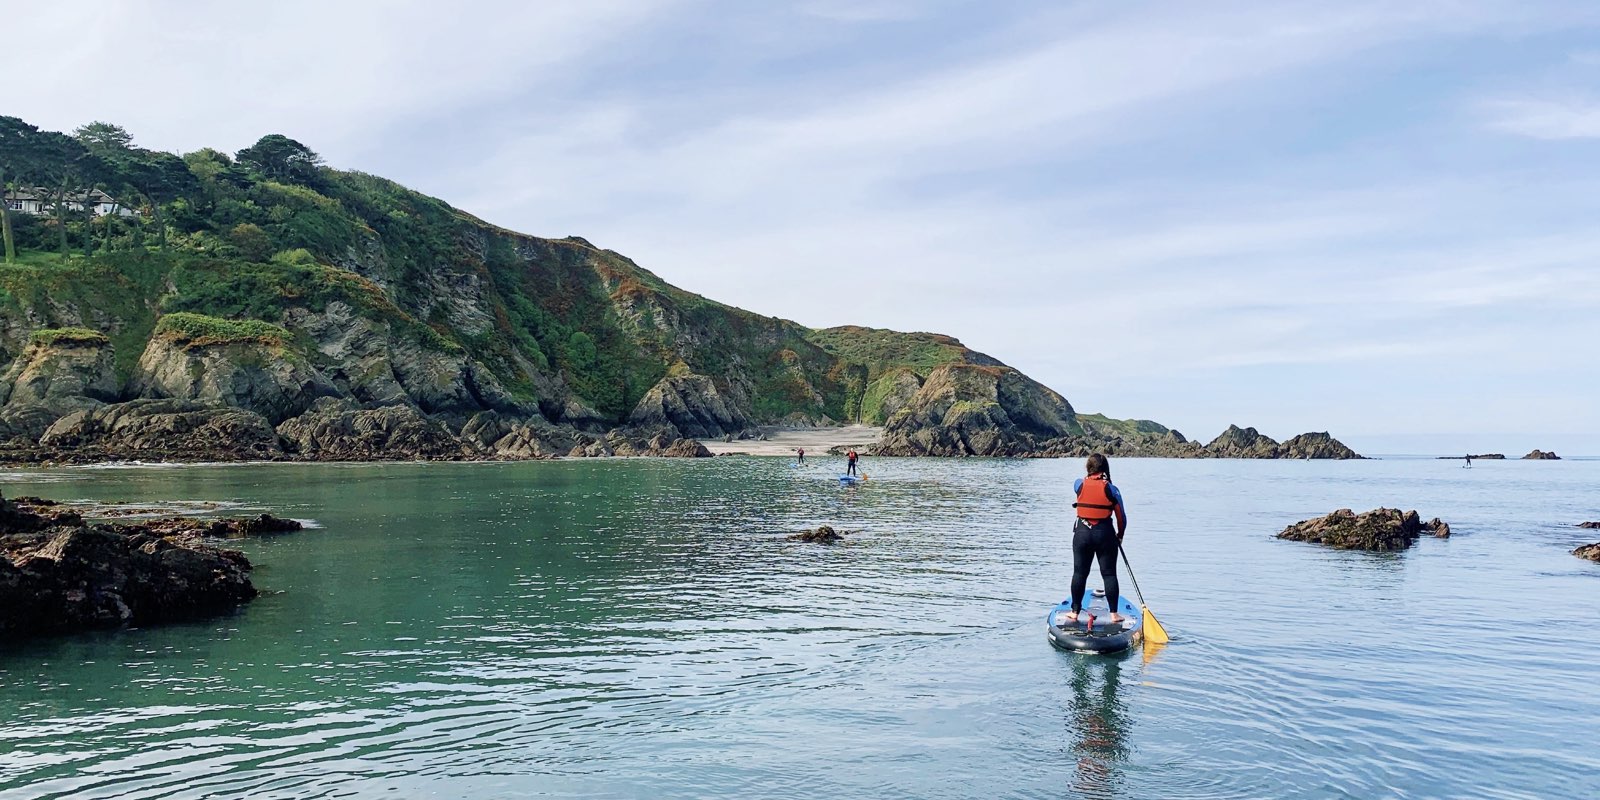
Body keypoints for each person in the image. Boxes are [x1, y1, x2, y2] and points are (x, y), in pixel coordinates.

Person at [1066, 453, 1128, 624]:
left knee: (1079, 573)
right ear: (1105, 469)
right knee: (1109, 574)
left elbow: (1079, 482)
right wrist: (1120, 536)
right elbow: (1121, 517)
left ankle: (1074, 612)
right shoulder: (1111, 489)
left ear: (1088, 468)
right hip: (1105, 535)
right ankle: (1114, 614)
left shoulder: (1079, 484)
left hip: (1082, 534)